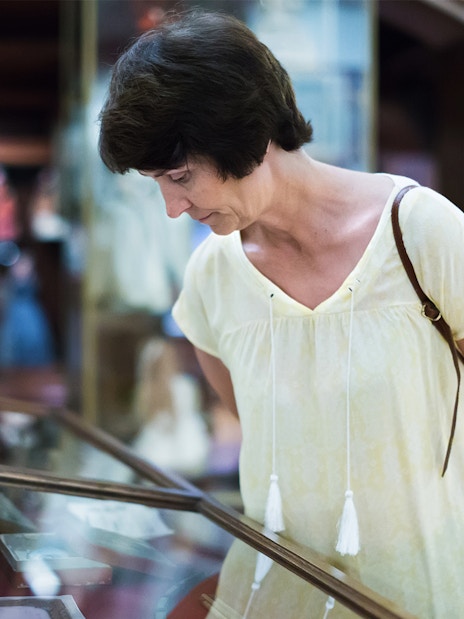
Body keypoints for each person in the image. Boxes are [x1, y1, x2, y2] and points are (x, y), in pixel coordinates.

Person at [98, 9, 464, 618]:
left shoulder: (421, 233)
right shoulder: (211, 277)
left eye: (181, 176)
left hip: (417, 599)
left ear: (244, 133)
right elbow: (265, 433)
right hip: (269, 600)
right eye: (158, 182)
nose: (170, 207)